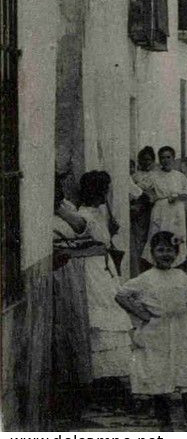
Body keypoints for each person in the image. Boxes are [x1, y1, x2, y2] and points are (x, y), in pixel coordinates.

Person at [116, 231, 187, 431]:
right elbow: (121, 295)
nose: (165, 255)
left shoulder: (181, 277)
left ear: (177, 253)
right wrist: (143, 315)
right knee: (159, 374)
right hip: (157, 333)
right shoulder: (146, 278)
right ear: (152, 253)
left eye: (170, 251)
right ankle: (164, 422)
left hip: (181, 329)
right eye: (160, 250)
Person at [76, 171, 133, 382]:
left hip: (105, 266)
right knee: (100, 317)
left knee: (112, 310)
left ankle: (113, 373)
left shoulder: (99, 212)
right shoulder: (83, 216)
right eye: (103, 190)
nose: (105, 194)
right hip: (93, 269)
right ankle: (100, 375)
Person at [52, 174, 93, 413]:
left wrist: (59, 209)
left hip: (71, 273)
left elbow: (81, 227)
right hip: (55, 275)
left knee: (75, 327)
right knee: (60, 331)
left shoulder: (65, 207)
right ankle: (62, 392)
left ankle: (77, 388)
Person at [143, 146, 187, 269]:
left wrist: (177, 196)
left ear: (173, 158)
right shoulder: (154, 175)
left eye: (168, 157)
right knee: (159, 234)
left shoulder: (179, 176)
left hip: (176, 210)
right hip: (161, 209)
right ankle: (158, 264)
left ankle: (177, 262)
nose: (165, 160)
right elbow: (141, 187)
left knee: (176, 235)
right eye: (162, 158)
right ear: (159, 160)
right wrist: (152, 196)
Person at [131, 147, 157, 276]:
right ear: (139, 161)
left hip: (152, 211)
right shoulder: (135, 176)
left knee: (150, 237)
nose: (146, 162)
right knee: (138, 239)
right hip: (139, 212)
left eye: (149, 160)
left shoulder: (156, 176)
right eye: (143, 160)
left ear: (153, 161)